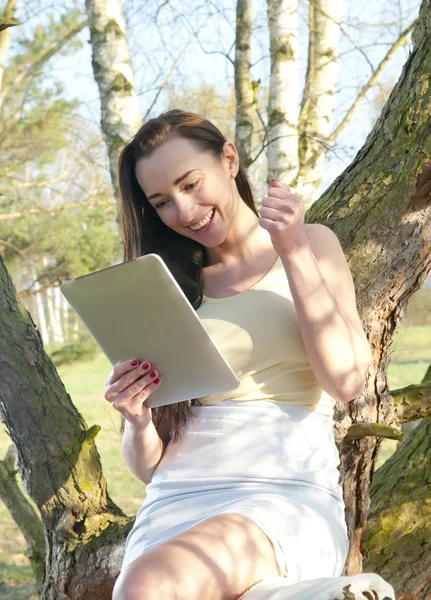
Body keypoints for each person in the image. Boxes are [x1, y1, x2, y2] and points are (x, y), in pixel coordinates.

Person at [107, 109, 371, 600]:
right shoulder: (164, 289)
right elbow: (150, 468)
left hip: (284, 495)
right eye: (162, 202)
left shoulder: (314, 245)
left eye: (190, 184)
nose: (184, 212)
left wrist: (291, 251)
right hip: (176, 500)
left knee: (145, 587)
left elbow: (347, 381)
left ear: (229, 159)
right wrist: (137, 419)